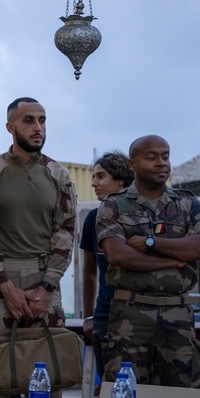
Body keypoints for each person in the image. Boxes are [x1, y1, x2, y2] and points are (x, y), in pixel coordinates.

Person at [0, 98, 76, 398]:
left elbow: (66, 231)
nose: (38, 127)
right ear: (10, 127)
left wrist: (46, 288)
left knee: (49, 379)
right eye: (29, 120)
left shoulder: (59, 175)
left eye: (42, 120)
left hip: (44, 282)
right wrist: (4, 285)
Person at [96, 135, 200, 387]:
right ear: (132, 165)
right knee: (124, 396)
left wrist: (152, 243)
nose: (161, 163)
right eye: (152, 158)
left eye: (166, 156)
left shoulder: (187, 203)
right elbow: (118, 254)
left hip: (177, 314)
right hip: (130, 315)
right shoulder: (113, 206)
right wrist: (175, 259)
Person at [80, 152, 133, 383]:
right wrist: (89, 315)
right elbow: (89, 271)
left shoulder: (137, 215)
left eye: (101, 176)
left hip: (138, 313)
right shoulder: (93, 218)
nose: (94, 183)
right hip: (105, 314)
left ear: (121, 179)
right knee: (109, 386)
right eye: (93, 176)